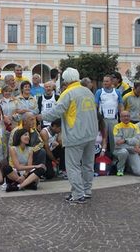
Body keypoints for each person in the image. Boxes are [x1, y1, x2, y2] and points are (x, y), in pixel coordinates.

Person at [38, 67, 98, 204]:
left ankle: (77, 194)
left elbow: (56, 112)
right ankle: (87, 191)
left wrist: (41, 116)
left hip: (76, 135)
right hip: (91, 133)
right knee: (88, 165)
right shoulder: (87, 91)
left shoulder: (68, 93)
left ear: (66, 80)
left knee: (73, 166)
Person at [95, 75, 123, 160]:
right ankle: (102, 157)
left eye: (107, 81)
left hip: (113, 119)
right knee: (103, 139)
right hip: (103, 120)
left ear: (111, 82)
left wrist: (122, 117)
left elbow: (120, 105)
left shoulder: (117, 92)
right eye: (104, 81)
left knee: (114, 141)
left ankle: (115, 159)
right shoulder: (99, 92)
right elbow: (95, 105)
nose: (105, 83)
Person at [113, 111, 140, 176]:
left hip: (132, 151)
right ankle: (120, 170)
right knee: (124, 152)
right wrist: (132, 145)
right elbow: (118, 143)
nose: (126, 118)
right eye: (124, 116)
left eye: (128, 116)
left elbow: (136, 140)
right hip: (119, 150)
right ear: (120, 118)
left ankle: (129, 167)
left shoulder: (135, 126)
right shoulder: (116, 127)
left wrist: (124, 140)